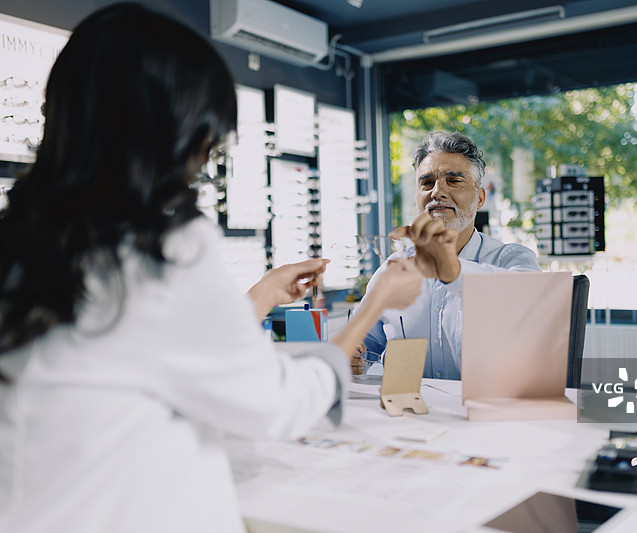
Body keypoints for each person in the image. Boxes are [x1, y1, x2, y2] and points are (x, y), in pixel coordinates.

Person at [0, 4, 423, 532]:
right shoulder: (163, 249)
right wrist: (375, 304)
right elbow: (276, 404)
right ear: (174, 130)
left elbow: (133, 345)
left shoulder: (26, 237)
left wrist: (261, 296)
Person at [352, 131, 540, 379]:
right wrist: (353, 358)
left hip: (487, 403)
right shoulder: (392, 269)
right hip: (410, 403)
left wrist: (454, 271)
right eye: (427, 183)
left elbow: (530, 303)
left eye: (454, 181)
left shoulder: (512, 259)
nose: (437, 192)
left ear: (480, 198)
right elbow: (362, 346)